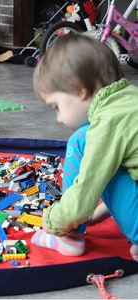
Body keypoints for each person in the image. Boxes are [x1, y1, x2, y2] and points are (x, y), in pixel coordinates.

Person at [31, 34, 138, 261]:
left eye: (56, 107)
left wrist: (53, 220)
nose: (58, 118)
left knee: (81, 139)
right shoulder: (129, 100)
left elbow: (86, 189)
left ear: (80, 90)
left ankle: (69, 238)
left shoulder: (108, 122)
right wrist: (102, 211)